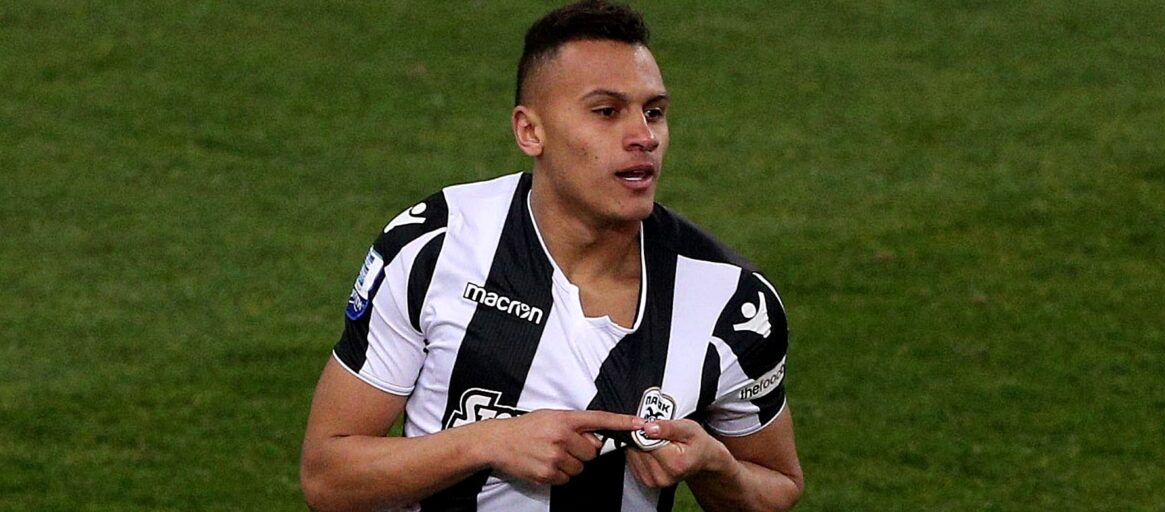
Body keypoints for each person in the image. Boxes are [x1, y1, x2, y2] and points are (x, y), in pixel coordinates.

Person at [299, 1, 802, 510]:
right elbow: (327, 477)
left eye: (654, 112)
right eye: (606, 112)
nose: (644, 137)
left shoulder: (732, 303)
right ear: (530, 131)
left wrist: (715, 468)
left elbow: (777, 485)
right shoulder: (436, 245)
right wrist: (487, 441)